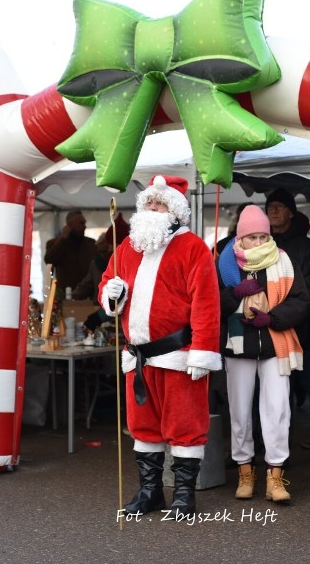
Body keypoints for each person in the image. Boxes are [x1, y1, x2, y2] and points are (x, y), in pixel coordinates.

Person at [98, 174, 221, 519]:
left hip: (179, 355)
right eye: (149, 202)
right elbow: (108, 284)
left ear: (176, 211)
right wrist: (110, 296)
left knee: (184, 425)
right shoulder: (127, 247)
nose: (153, 208)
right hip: (138, 359)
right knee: (144, 427)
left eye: (161, 203)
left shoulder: (193, 247)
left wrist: (203, 350)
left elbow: (207, 304)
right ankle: (150, 491)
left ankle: (184, 496)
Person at [217, 205, 307, 503]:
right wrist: (235, 294)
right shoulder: (225, 261)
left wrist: (273, 318)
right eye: (251, 237)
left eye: (262, 236)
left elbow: (300, 300)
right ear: (239, 238)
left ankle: (275, 476)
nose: (257, 243)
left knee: (278, 410)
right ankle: (245, 471)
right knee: (240, 412)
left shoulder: (283, 260)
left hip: (273, 345)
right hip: (237, 347)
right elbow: (212, 303)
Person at [265, 188, 310, 449]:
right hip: (267, 328)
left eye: (279, 206)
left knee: (308, 375)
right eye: (270, 206)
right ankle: (276, 431)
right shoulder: (262, 243)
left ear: (291, 212)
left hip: (301, 327)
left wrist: (291, 315)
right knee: (275, 381)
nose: (273, 211)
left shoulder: (305, 247)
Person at [44, 210, 97, 290]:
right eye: (81, 223)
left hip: (88, 293)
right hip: (65, 293)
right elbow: (49, 261)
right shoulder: (53, 243)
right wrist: (62, 240)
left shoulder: (91, 243)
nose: (85, 226)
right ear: (70, 225)